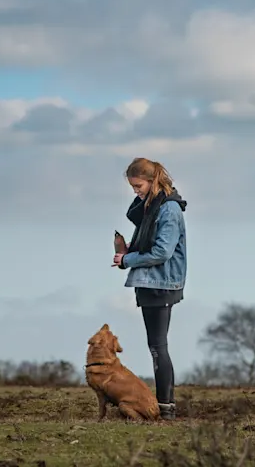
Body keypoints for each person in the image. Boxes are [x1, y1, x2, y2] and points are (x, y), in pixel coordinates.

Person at [112, 157, 187, 420]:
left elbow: (162, 252)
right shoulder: (151, 207)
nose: (136, 191)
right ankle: (164, 406)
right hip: (150, 282)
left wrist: (127, 260)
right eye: (133, 187)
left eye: (138, 185)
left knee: (158, 346)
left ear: (152, 180)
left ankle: (166, 407)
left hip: (162, 283)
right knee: (155, 346)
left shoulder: (168, 209)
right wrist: (127, 252)